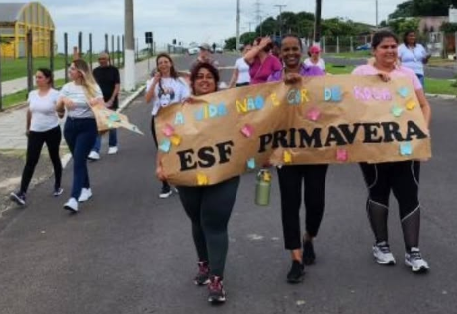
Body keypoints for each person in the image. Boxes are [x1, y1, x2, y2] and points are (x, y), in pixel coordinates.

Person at [156, 63, 239, 304]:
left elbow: (255, 125)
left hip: (223, 173)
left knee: (214, 223)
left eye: (209, 77)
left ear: (215, 81)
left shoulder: (229, 104)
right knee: (197, 220)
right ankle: (203, 264)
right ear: (192, 82)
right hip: (188, 174)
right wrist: (160, 164)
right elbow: (166, 138)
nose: (204, 80)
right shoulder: (180, 109)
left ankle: (217, 278)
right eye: (199, 77)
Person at [352, 30, 432, 273]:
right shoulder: (360, 74)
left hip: (405, 147)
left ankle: (413, 252)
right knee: (378, 191)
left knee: (409, 193)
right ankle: (381, 245)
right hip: (373, 147)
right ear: (374, 50)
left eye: (393, 46)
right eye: (384, 47)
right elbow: (348, 106)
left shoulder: (407, 75)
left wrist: (422, 130)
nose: (390, 51)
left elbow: (423, 105)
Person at [267, 34, 326, 283]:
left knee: (316, 203)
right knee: (290, 205)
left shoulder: (316, 74)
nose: (290, 53)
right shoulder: (271, 80)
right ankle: (296, 259)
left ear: (301, 51)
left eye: (295, 49)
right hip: (286, 152)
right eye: (286, 49)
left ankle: (309, 237)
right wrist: (283, 84)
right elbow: (264, 112)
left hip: (314, 150)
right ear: (280, 52)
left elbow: (332, 103)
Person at [57, 59, 104, 213]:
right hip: (70, 126)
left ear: (81, 72)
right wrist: (63, 100)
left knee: (77, 160)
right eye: (70, 68)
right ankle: (86, 188)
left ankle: (73, 198)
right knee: (79, 159)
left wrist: (95, 103)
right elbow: (59, 111)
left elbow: (102, 109)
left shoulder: (93, 88)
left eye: (72, 69)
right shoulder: (66, 87)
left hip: (87, 127)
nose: (69, 71)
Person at [10, 69, 63, 206]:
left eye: (40, 77)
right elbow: (30, 111)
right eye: (36, 77)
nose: (37, 80)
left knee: (54, 157)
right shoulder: (33, 94)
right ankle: (22, 193)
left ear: (48, 79)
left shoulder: (56, 94)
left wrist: (62, 109)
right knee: (30, 161)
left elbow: (61, 113)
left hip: (52, 130)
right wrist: (28, 128)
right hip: (35, 132)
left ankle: (58, 185)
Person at [145, 53, 190, 199]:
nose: (163, 65)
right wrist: (154, 82)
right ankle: (165, 185)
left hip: (175, 120)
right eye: (160, 63)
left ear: (171, 63)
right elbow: (147, 99)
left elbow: (185, 99)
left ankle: (176, 180)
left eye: (166, 62)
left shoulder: (179, 82)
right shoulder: (153, 81)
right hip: (158, 120)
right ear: (157, 66)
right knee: (162, 151)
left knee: (175, 150)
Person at [88, 52, 121, 161]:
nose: (101, 60)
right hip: (99, 102)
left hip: (111, 101)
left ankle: (113, 145)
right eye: (100, 59)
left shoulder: (114, 70)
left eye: (104, 58)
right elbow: (92, 86)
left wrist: (111, 100)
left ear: (108, 59)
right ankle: (95, 150)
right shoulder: (95, 71)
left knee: (112, 124)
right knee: (98, 125)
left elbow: (117, 86)